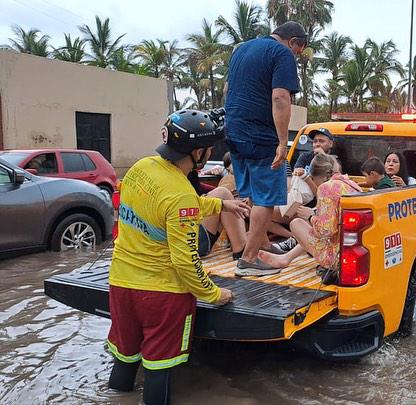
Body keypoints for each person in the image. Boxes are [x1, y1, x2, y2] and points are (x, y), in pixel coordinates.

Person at [106, 109, 250, 405]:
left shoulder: (141, 168)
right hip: (162, 294)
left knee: (126, 356)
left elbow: (168, 207)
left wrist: (223, 206)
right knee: (159, 366)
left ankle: (114, 398)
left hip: (121, 283)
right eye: (209, 149)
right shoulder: (180, 192)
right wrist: (214, 293)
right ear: (199, 152)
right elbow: (186, 262)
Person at [224, 21, 307, 274]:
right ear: (293, 42)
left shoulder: (241, 49)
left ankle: (262, 244)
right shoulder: (281, 53)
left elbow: (228, 89)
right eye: (298, 51)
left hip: (234, 130)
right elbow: (280, 97)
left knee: (251, 193)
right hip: (260, 134)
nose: (295, 56)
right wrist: (283, 141)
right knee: (267, 198)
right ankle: (249, 260)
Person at [258, 154, 363, 271]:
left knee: (296, 223)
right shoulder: (351, 184)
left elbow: (326, 231)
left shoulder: (326, 188)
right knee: (307, 227)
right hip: (356, 252)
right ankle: (286, 258)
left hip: (338, 257)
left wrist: (310, 216)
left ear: (317, 177)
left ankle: (285, 258)